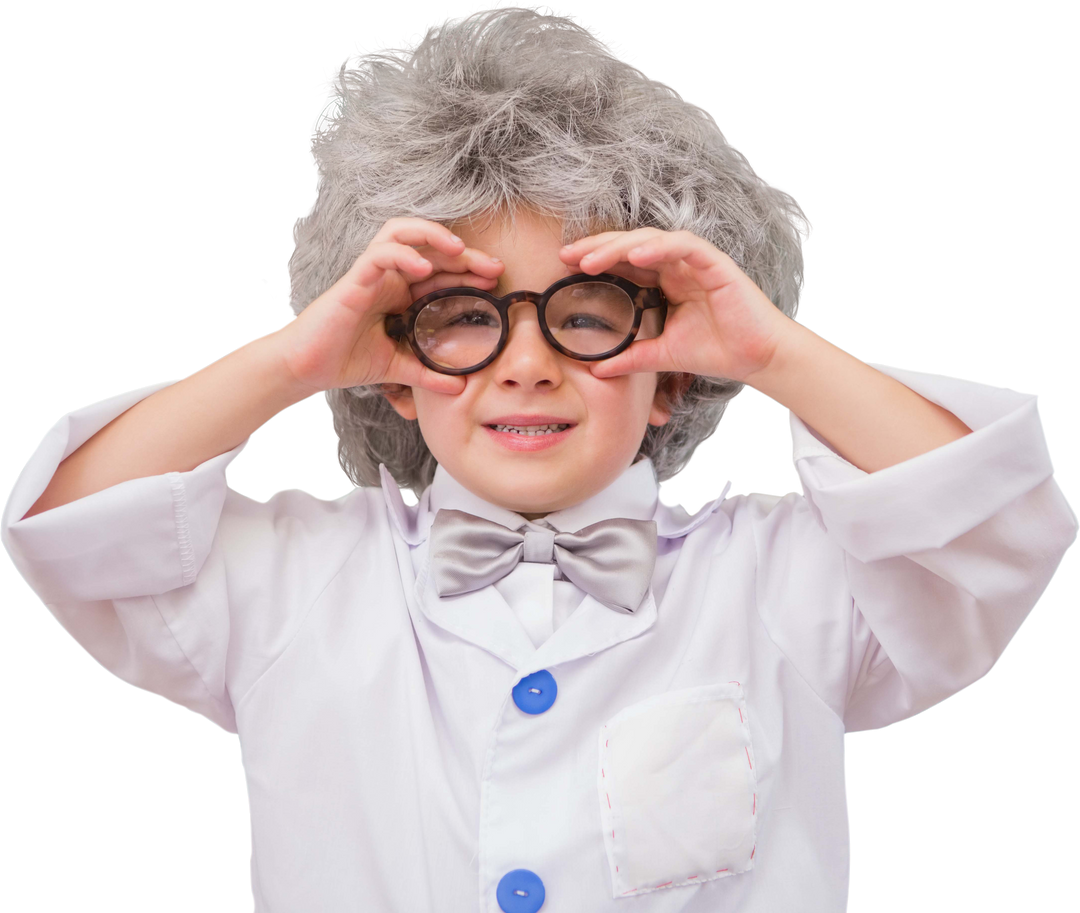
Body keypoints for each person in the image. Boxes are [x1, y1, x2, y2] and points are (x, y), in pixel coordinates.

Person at [1, 3, 1076, 910]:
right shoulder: (294, 581)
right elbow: (78, 530)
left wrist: (770, 351)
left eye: (589, 310)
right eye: (460, 316)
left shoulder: (785, 583)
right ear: (391, 356)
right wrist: (292, 361)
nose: (525, 366)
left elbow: (988, 531)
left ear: (674, 370)